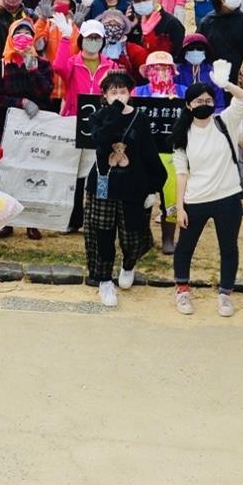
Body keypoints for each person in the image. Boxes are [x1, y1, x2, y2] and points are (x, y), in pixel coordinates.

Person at [171, 67, 243, 317]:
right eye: (198, 101)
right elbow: (181, 173)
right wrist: (180, 207)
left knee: (229, 247)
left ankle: (225, 294)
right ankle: (182, 290)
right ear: (188, 105)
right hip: (195, 199)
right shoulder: (182, 135)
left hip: (228, 198)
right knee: (185, 247)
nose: (204, 104)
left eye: (208, 100)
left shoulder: (225, 121)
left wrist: (226, 85)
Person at [83, 70, 163, 307]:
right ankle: (105, 280)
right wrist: (114, 112)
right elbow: (101, 140)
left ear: (130, 93)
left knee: (132, 234)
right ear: (104, 95)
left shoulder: (140, 118)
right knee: (102, 233)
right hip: (103, 183)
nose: (118, 95)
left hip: (133, 185)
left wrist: (153, 187)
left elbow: (149, 153)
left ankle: (128, 264)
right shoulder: (97, 117)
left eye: (122, 91)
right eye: (113, 92)